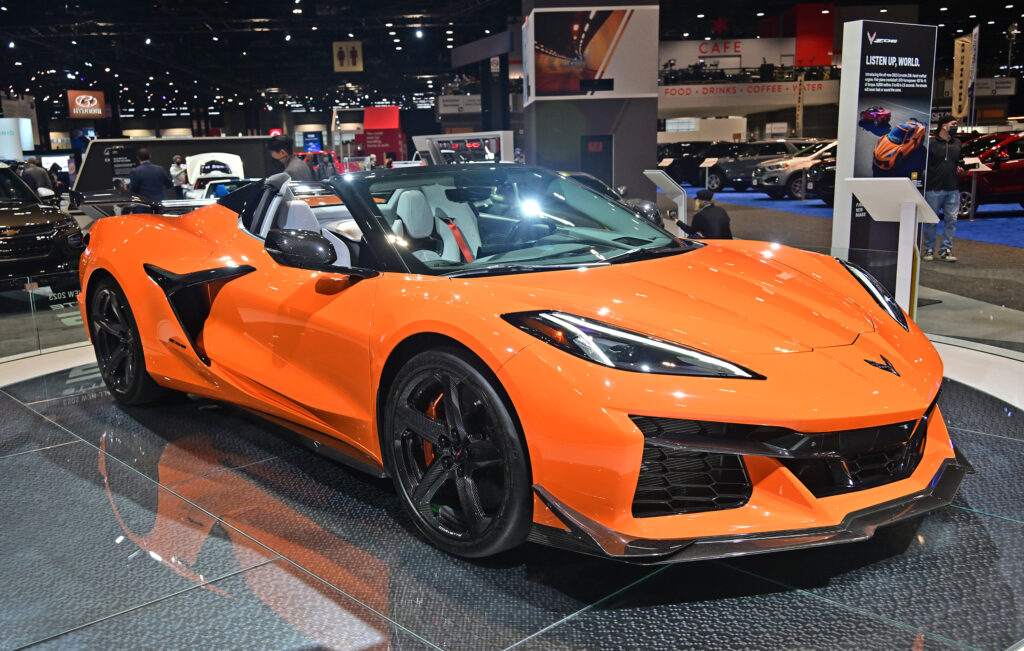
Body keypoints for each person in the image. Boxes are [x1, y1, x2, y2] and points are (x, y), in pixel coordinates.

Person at [923, 114, 963, 262]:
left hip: (953, 188)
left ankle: (945, 249)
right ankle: (928, 249)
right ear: (944, 126)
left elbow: (960, 161)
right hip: (934, 188)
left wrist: (961, 167)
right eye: (953, 124)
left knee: (951, 220)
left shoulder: (957, 143)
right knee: (931, 221)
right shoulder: (931, 143)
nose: (955, 127)